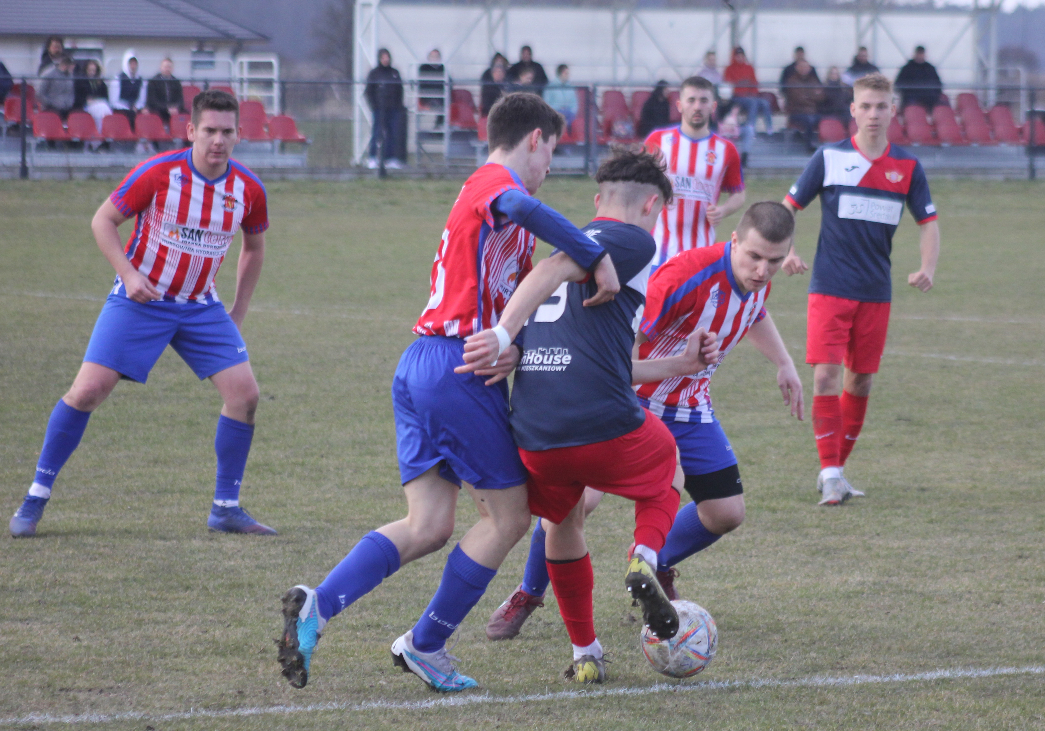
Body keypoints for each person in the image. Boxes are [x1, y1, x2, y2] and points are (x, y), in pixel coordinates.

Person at [275, 92, 620, 694]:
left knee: (430, 523)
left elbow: (508, 308)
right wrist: (594, 254)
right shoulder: (493, 183)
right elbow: (516, 201)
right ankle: (425, 643)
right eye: (551, 153)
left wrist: (512, 346)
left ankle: (317, 605)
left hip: (427, 365)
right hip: (453, 369)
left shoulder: (510, 224)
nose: (548, 170)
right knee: (510, 518)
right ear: (534, 139)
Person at [484, 201, 804, 636]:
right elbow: (622, 346)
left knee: (725, 512)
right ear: (733, 241)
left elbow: (755, 310)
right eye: (754, 257)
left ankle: (652, 563)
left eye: (774, 260)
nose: (764, 269)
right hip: (629, 404)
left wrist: (784, 362)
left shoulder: (756, 279)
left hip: (691, 408)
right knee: (575, 507)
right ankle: (528, 592)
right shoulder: (684, 276)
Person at [461, 150, 721, 680]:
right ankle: (644, 557)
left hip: (535, 432)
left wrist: (682, 362)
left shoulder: (563, 251)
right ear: (653, 205)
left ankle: (585, 653)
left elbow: (606, 363)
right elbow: (562, 272)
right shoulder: (630, 242)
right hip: (598, 422)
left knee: (563, 520)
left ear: (597, 199)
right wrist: (505, 336)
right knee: (667, 463)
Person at [9, 90, 274, 540]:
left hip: (199, 307)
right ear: (190, 130)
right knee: (88, 391)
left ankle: (225, 508)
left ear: (239, 135)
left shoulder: (247, 189)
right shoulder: (158, 173)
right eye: (208, 130)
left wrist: (238, 309)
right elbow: (102, 221)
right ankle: (35, 496)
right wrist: (129, 275)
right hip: (141, 300)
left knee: (244, 396)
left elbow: (254, 247)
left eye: (227, 132)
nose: (218, 140)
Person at [780, 72, 940, 506]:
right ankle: (830, 472)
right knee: (826, 374)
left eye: (880, 106)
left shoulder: (906, 166)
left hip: (876, 291)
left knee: (862, 381)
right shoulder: (829, 158)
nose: (873, 113)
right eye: (865, 106)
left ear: (893, 110)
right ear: (852, 110)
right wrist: (787, 250)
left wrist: (927, 266)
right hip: (829, 287)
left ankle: (836, 470)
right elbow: (786, 209)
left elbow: (928, 220)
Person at [643, 77, 745, 269]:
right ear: (680, 105)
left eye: (703, 100)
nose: (697, 106)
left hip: (701, 257)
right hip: (658, 255)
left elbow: (738, 193)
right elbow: (635, 184)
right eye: (691, 100)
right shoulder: (658, 141)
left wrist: (723, 210)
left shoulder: (726, 150)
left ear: (713, 106)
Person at [364, 48, 404, 170]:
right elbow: (368, 92)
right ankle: (373, 158)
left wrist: (398, 105)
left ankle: (390, 158)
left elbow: (400, 90)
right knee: (377, 133)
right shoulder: (374, 73)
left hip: (393, 109)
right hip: (379, 110)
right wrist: (374, 106)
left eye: (387, 57)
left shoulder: (394, 73)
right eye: (383, 57)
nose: (385, 59)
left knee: (392, 133)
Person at [724, 46, 772, 139]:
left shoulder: (749, 68)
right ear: (734, 57)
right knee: (753, 103)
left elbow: (755, 83)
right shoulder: (729, 69)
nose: (740, 58)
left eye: (742, 55)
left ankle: (769, 129)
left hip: (750, 96)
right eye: (738, 56)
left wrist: (753, 93)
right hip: (737, 98)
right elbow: (729, 87)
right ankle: (751, 128)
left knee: (765, 103)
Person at [783, 57, 823, 144]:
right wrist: (813, 97)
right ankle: (810, 144)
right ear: (797, 68)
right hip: (797, 112)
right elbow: (798, 98)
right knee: (809, 120)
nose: (804, 69)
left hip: (813, 111)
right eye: (802, 67)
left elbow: (821, 96)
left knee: (828, 119)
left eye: (806, 67)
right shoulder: (792, 81)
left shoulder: (813, 80)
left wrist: (808, 97)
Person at [895, 46, 943, 112]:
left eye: (922, 53)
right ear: (915, 54)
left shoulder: (930, 68)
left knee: (941, 105)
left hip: (929, 97)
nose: (920, 56)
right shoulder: (907, 68)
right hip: (911, 96)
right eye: (919, 53)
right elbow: (898, 83)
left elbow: (938, 84)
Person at [108, 51, 147, 127]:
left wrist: (137, 106)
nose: (133, 66)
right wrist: (128, 107)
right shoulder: (117, 78)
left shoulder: (141, 80)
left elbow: (142, 99)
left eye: (135, 64)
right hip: (121, 109)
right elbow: (113, 101)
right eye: (131, 63)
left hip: (135, 109)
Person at [74, 59, 112, 136]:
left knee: (105, 110)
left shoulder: (101, 83)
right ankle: (98, 135)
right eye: (90, 70)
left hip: (100, 104)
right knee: (101, 111)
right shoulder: (80, 82)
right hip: (86, 106)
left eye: (94, 70)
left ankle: (104, 135)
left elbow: (105, 97)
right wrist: (86, 100)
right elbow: (77, 97)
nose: (92, 72)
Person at [145, 58, 184, 124]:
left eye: (169, 67)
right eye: (165, 67)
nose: (167, 69)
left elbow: (180, 100)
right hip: (158, 111)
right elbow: (152, 101)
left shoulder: (176, 82)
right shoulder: (153, 82)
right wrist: (167, 108)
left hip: (173, 112)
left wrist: (176, 108)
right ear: (161, 68)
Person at [39, 54, 77, 120]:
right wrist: (50, 103)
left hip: (68, 108)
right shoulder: (50, 74)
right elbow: (40, 92)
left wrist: (71, 102)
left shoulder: (71, 76)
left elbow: (71, 91)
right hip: (52, 108)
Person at [417, 48, 445, 112]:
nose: (434, 58)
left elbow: (448, 82)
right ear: (428, 57)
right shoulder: (423, 68)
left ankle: (440, 121)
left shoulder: (443, 68)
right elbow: (422, 84)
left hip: (441, 96)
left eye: (436, 56)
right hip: (427, 95)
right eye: (433, 56)